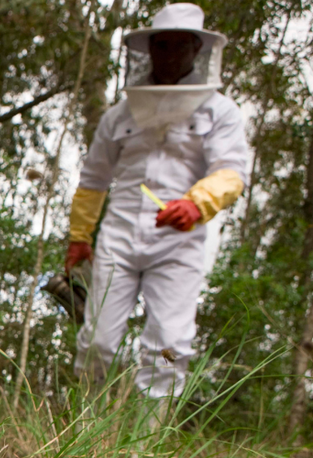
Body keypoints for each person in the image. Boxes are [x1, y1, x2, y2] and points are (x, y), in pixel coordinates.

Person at [65, 3, 249, 402]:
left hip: (179, 243)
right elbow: (95, 178)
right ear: (149, 49)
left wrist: (197, 203)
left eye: (179, 46)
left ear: (196, 50)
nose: (168, 54)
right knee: (97, 340)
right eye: (161, 45)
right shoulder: (121, 113)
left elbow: (232, 171)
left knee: (167, 346)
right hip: (119, 235)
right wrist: (80, 236)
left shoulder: (220, 111)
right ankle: (81, 433)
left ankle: (147, 447)